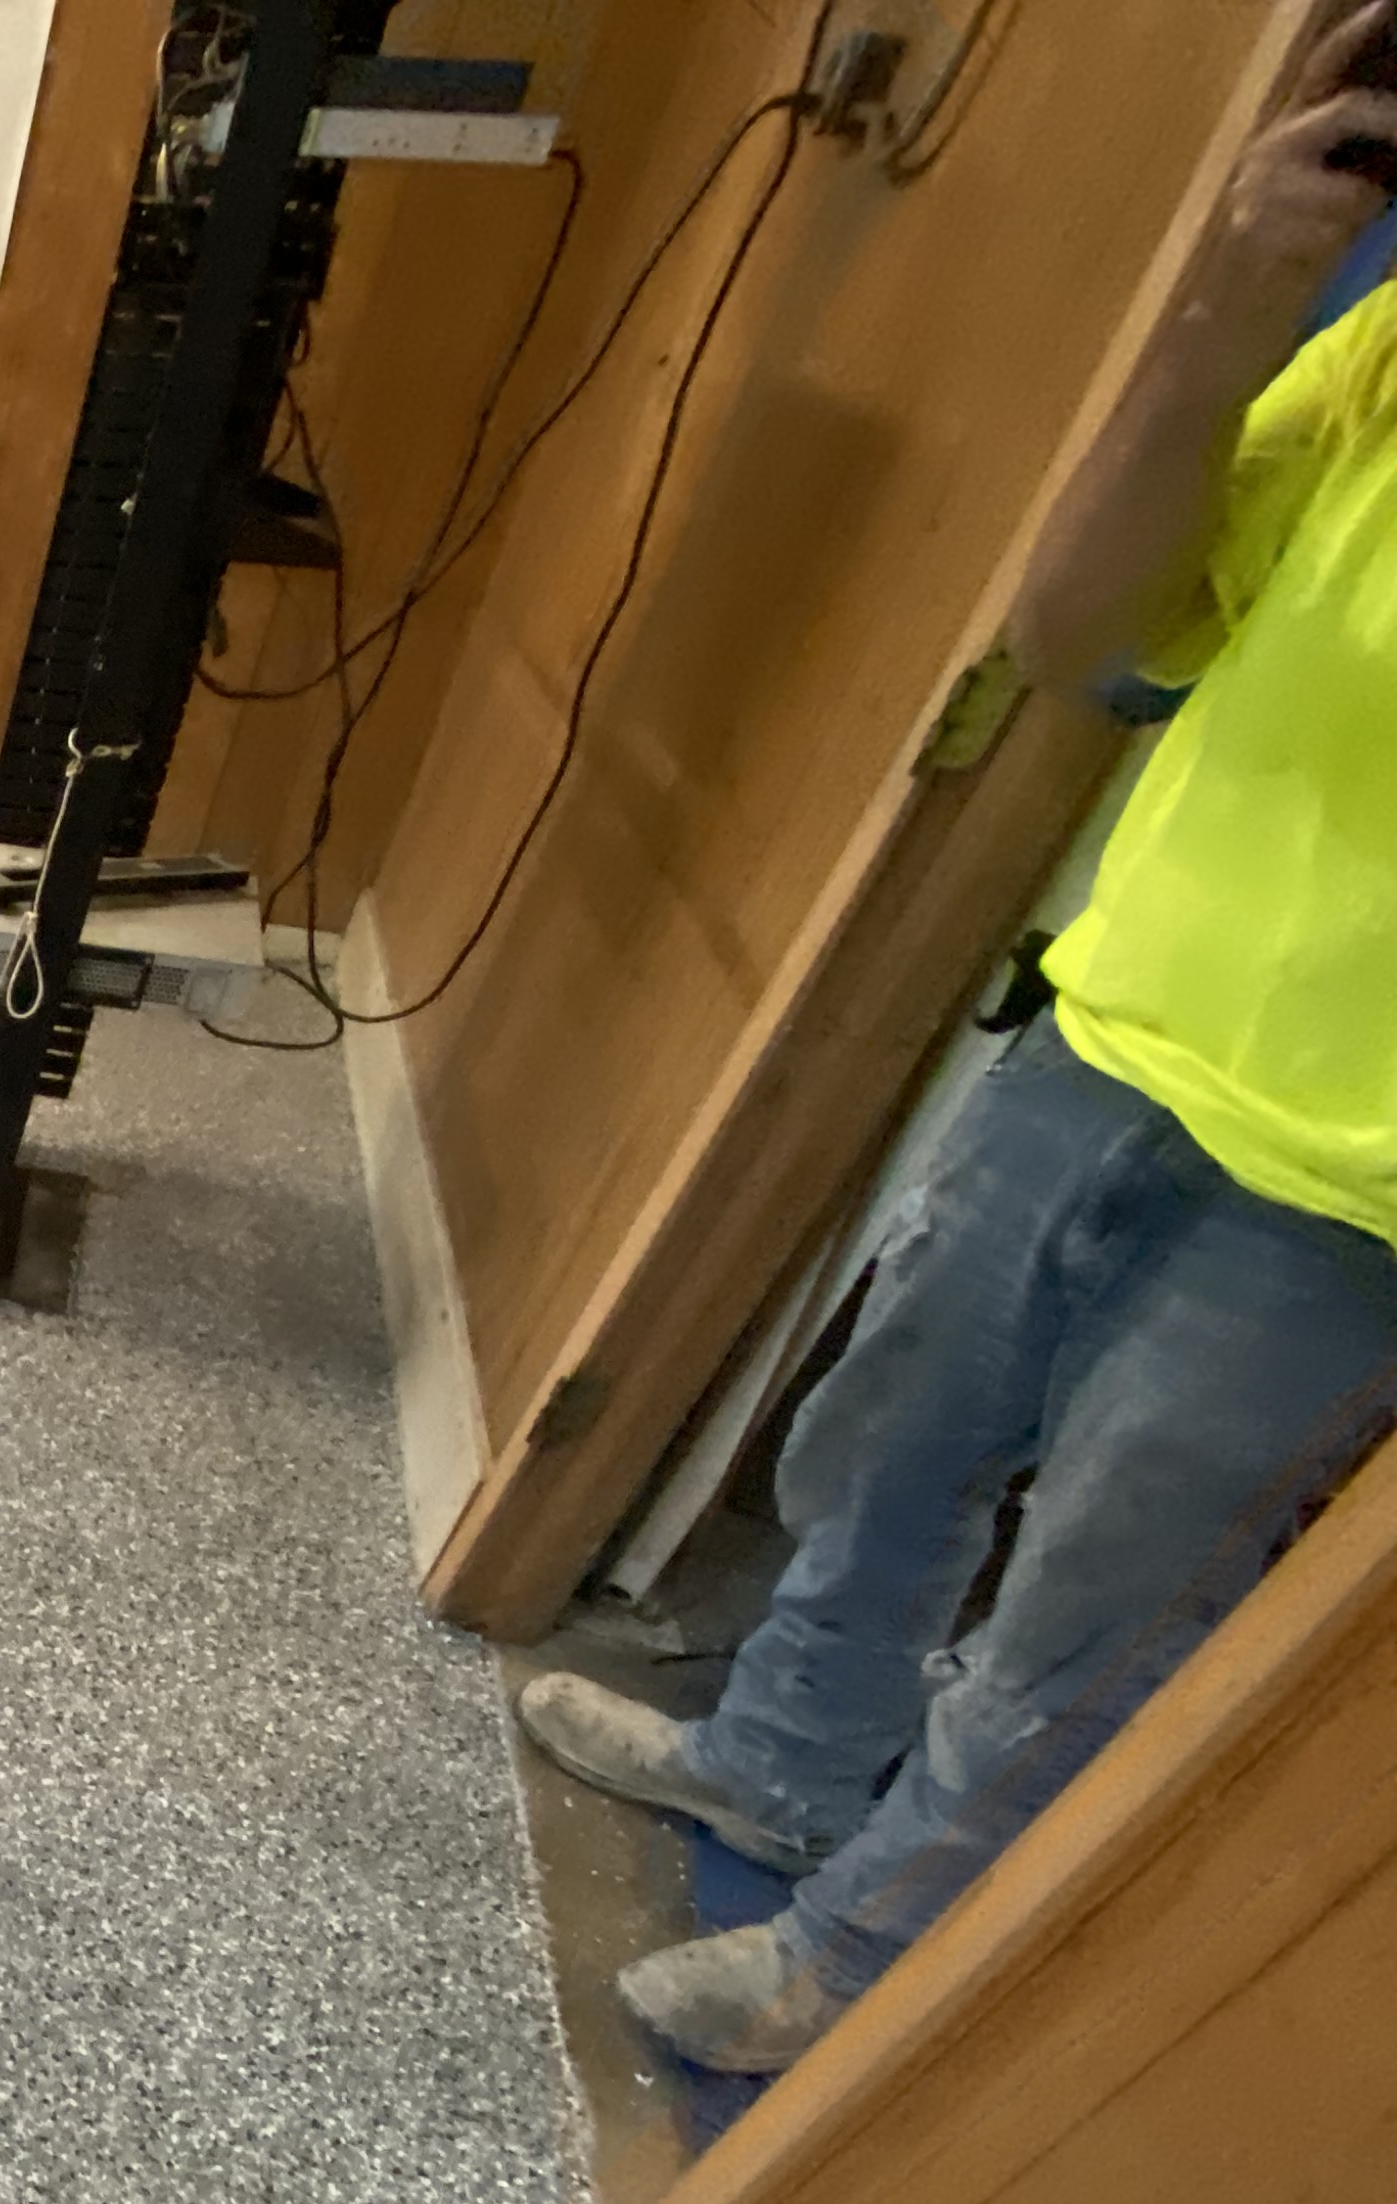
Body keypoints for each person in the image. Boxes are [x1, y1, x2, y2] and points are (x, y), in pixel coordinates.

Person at [517, 5, 1397, 2075]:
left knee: (1099, 1599)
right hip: (1118, 1027)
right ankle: (779, 1759)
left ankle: (857, 1963)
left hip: (1353, 1189)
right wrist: (1235, 297)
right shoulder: (1373, 349)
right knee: (888, 1443)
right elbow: (1077, 628)